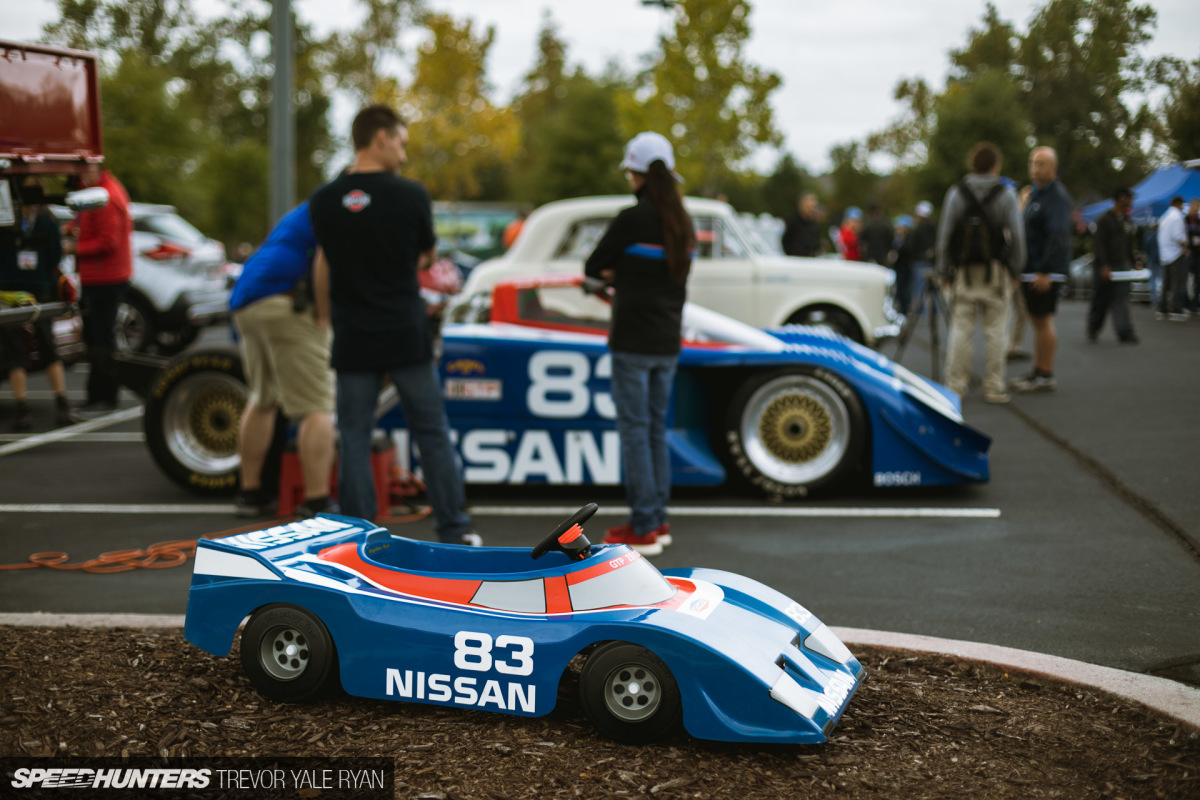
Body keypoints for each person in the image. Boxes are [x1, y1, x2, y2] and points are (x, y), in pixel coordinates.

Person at [309, 104, 477, 545]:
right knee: (431, 432)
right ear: (380, 138)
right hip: (405, 333)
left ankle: (359, 540)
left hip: (353, 335)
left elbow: (323, 261)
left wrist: (324, 316)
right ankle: (454, 531)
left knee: (355, 437)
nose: (403, 154)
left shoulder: (323, 200)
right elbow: (426, 256)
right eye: (400, 142)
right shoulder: (412, 196)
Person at [584, 131, 694, 556]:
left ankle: (645, 526)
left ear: (637, 173)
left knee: (634, 431)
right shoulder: (681, 221)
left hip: (632, 339)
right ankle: (658, 519)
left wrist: (618, 273)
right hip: (668, 341)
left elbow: (594, 265)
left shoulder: (631, 219)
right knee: (655, 429)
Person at [229, 201, 336, 517]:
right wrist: (325, 317)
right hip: (286, 301)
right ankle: (317, 502)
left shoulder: (307, 210)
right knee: (317, 405)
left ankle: (250, 493)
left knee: (263, 398)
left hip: (248, 297)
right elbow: (325, 261)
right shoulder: (343, 206)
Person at [936, 142, 1026, 404]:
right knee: (996, 330)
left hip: (964, 272)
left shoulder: (957, 193)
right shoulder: (1006, 194)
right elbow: (1017, 235)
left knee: (961, 329)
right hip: (996, 272)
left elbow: (945, 235)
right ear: (995, 165)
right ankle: (994, 386)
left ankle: (955, 385)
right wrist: (1016, 268)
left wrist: (944, 272)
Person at [0, 179, 73, 430]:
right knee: (39, 345)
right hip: (30, 286)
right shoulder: (48, 218)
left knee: (20, 349)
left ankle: (28, 410)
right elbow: (56, 255)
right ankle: (59, 404)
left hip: (12, 286)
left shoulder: (7, 215)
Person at [69, 169, 133, 415]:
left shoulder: (104, 196)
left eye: (83, 169)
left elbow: (108, 242)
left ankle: (103, 396)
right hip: (103, 277)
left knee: (100, 338)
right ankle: (100, 395)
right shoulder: (100, 192)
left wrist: (75, 247)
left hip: (106, 278)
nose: (80, 176)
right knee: (97, 337)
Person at [1011, 146, 1070, 394]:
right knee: (1037, 321)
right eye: (1033, 163)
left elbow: (1057, 236)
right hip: (1031, 270)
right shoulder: (1036, 195)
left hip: (1044, 272)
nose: (1035, 168)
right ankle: (1038, 369)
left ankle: (1046, 374)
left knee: (1044, 321)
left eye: (1042, 164)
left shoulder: (1056, 197)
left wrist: (1045, 271)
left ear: (1054, 168)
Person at [1087, 188, 1139, 345]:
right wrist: (1103, 265)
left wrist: (1133, 261)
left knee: (1121, 299)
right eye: (1128, 198)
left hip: (1122, 265)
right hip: (1106, 266)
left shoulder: (1127, 221)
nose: (1131, 202)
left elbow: (1129, 244)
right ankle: (1093, 328)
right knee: (1100, 299)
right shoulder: (1104, 219)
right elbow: (1099, 244)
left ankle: (1125, 331)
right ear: (1121, 198)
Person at [1156, 196, 1189, 322]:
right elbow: (1177, 236)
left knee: (1166, 282)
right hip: (1175, 253)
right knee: (1177, 282)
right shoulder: (1177, 216)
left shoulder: (1165, 216)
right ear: (1179, 204)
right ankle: (1174, 308)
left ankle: (1162, 307)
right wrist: (1185, 246)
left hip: (1165, 254)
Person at [908, 200, 937, 315]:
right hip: (930, 262)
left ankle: (921, 311)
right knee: (933, 289)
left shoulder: (917, 229)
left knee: (919, 288)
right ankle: (934, 310)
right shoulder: (934, 228)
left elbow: (912, 246)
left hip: (919, 262)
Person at [781, 192, 822, 257]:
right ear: (801, 205)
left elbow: (816, 245)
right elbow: (785, 242)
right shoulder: (792, 221)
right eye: (809, 207)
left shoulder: (813, 225)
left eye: (813, 208)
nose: (811, 210)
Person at [891, 215, 916, 314]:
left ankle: (905, 307)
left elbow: (907, 251)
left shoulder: (908, 239)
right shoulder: (898, 238)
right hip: (899, 266)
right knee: (900, 288)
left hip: (905, 266)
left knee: (905, 288)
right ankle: (902, 306)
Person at [1185, 199, 1200, 313]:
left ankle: (1194, 304)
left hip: (1198, 255)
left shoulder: (1198, 221)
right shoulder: (1185, 220)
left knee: (1197, 281)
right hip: (1188, 255)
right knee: (1184, 280)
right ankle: (1185, 303)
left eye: (1198, 207)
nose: (1196, 209)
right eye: (1194, 206)